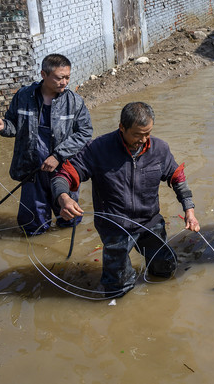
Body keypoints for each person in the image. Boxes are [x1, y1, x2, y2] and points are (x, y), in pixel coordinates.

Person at [53, 101, 200, 298]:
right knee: (117, 286)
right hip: (115, 226)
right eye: (137, 134)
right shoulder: (98, 149)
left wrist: (189, 210)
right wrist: (64, 198)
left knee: (165, 267)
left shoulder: (159, 149)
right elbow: (64, 175)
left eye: (147, 133)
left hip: (150, 222)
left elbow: (177, 177)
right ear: (122, 127)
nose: (143, 139)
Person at [0, 53, 92, 235]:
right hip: (32, 169)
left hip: (63, 168)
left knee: (69, 218)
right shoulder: (23, 96)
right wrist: (3, 126)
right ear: (44, 74)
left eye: (67, 77)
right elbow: (13, 125)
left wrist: (58, 156)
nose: (64, 82)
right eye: (60, 78)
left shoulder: (74, 102)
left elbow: (85, 132)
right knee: (32, 224)